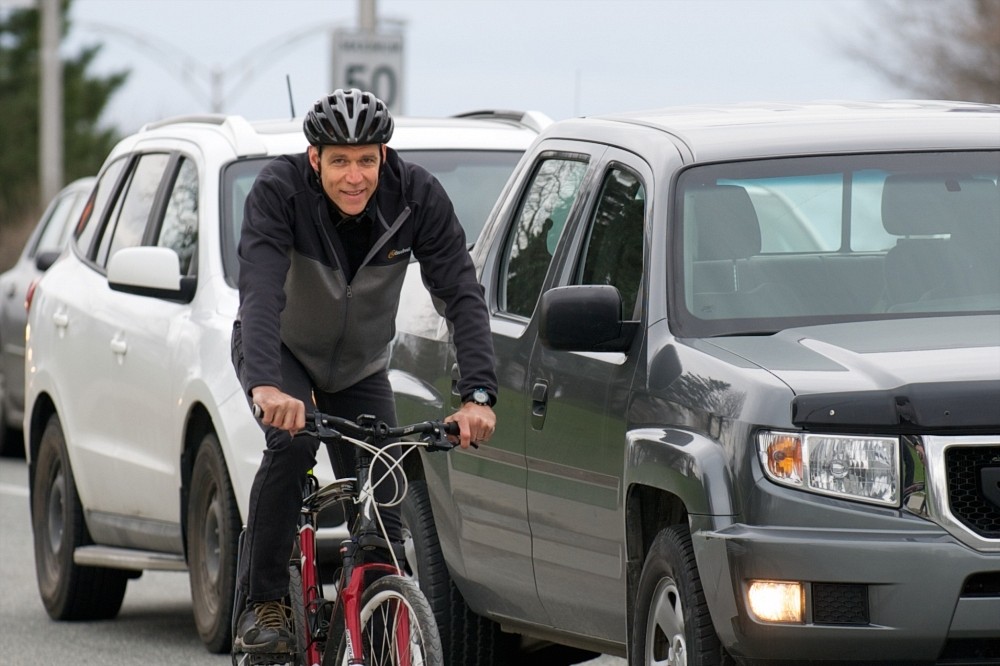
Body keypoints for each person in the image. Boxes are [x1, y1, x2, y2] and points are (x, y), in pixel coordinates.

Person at [230, 88, 498, 656]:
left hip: (360, 365)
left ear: (384, 156)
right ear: (314, 159)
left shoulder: (416, 197)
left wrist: (477, 394)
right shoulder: (279, 192)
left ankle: (379, 625)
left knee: (382, 495)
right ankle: (265, 601)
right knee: (292, 445)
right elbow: (258, 292)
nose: (355, 177)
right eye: (340, 161)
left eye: (367, 160)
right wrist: (266, 386)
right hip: (283, 353)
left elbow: (462, 294)